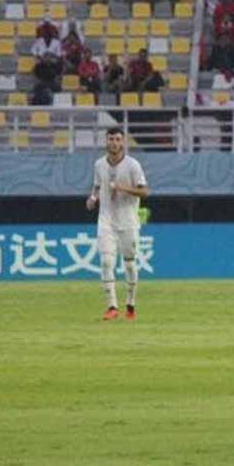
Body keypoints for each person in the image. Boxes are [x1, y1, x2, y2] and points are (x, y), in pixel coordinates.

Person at [85, 127, 148, 321]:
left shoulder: (132, 165)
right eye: (110, 139)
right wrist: (92, 197)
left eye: (117, 139)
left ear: (123, 142)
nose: (113, 142)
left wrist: (123, 188)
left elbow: (145, 191)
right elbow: (97, 185)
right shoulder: (99, 164)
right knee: (106, 261)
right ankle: (112, 306)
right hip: (106, 220)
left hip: (128, 220)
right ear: (106, 141)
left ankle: (130, 303)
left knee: (129, 263)